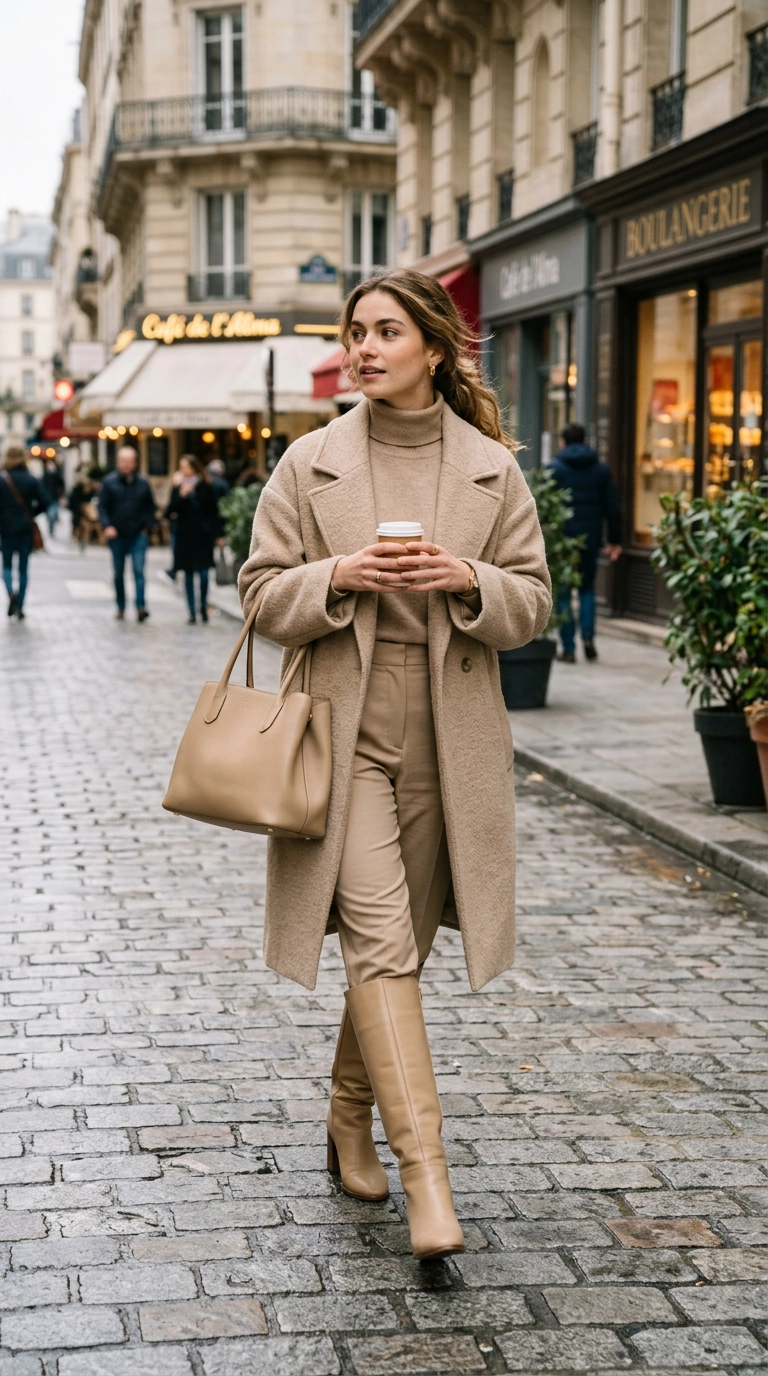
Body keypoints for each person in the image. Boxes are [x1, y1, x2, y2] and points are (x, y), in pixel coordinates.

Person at [238, 268, 551, 1261]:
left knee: (394, 957)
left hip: (446, 748)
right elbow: (256, 592)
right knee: (378, 946)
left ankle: (344, 1114)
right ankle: (429, 1177)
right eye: (355, 330)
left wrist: (468, 577)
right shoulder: (310, 461)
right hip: (343, 742)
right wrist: (339, 575)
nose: (364, 347)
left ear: (433, 346)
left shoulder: (493, 470)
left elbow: (533, 603)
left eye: (384, 331)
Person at [548, 422, 622, 662]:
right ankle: (588, 638)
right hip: (590, 538)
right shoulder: (600, 469)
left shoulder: (555, 469)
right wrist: (614, 540)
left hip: (563, 541)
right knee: (587, 588)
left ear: (563, 443)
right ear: (586, 441)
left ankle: (568, 649)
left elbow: (544, 507)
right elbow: (613, 507)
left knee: (562, 593)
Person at [98, 446, 156, 622]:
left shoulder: (143, 483)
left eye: (129, 461)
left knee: (139, 571)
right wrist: (107, 526)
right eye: (123, 461)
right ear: (118, 462)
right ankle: (121, 606)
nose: (126, 465)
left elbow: (150, 507)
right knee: (118, 573)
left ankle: (140, 606)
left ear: (135, 463)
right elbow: (102, 507)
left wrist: (147, 527)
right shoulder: (109, 482)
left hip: (138, 534)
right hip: (117, 535)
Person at [166, 454, 220, 623]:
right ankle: (191, 611)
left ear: (194, 468)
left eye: (185, 467)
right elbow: (170, 511)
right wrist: (181, 495)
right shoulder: (177, 487)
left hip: (203, 537)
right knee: (188, 575)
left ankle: (202, 605)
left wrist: (217, 534)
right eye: (181, 467)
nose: (182, 470)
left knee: (204, 575)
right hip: (185, 537)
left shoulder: (205, 486)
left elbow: (213, 512)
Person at [0, 446, 48, 619]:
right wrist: (31, 514)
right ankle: (20, 605)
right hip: (25, 530)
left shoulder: (2, 479)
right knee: (23, 569)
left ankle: (11, 593)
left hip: (6, 529)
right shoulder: (31, 480)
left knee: (6, 566)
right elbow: (45, 501)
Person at [68, 469, 101, 550]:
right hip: (78, 510)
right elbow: (73, 501)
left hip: (89, 509)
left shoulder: (93, 492)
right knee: (77, 517)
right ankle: (76, 533)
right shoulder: (77, 490)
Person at [41, 458, 65, 536]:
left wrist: (61, 494)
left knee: (53, 514)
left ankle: (52, 527)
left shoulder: (57, 474)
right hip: (47, 497)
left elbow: (61, 484)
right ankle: (50, 527)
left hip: (54, 496)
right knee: (49, 514)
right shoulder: (45, 475)